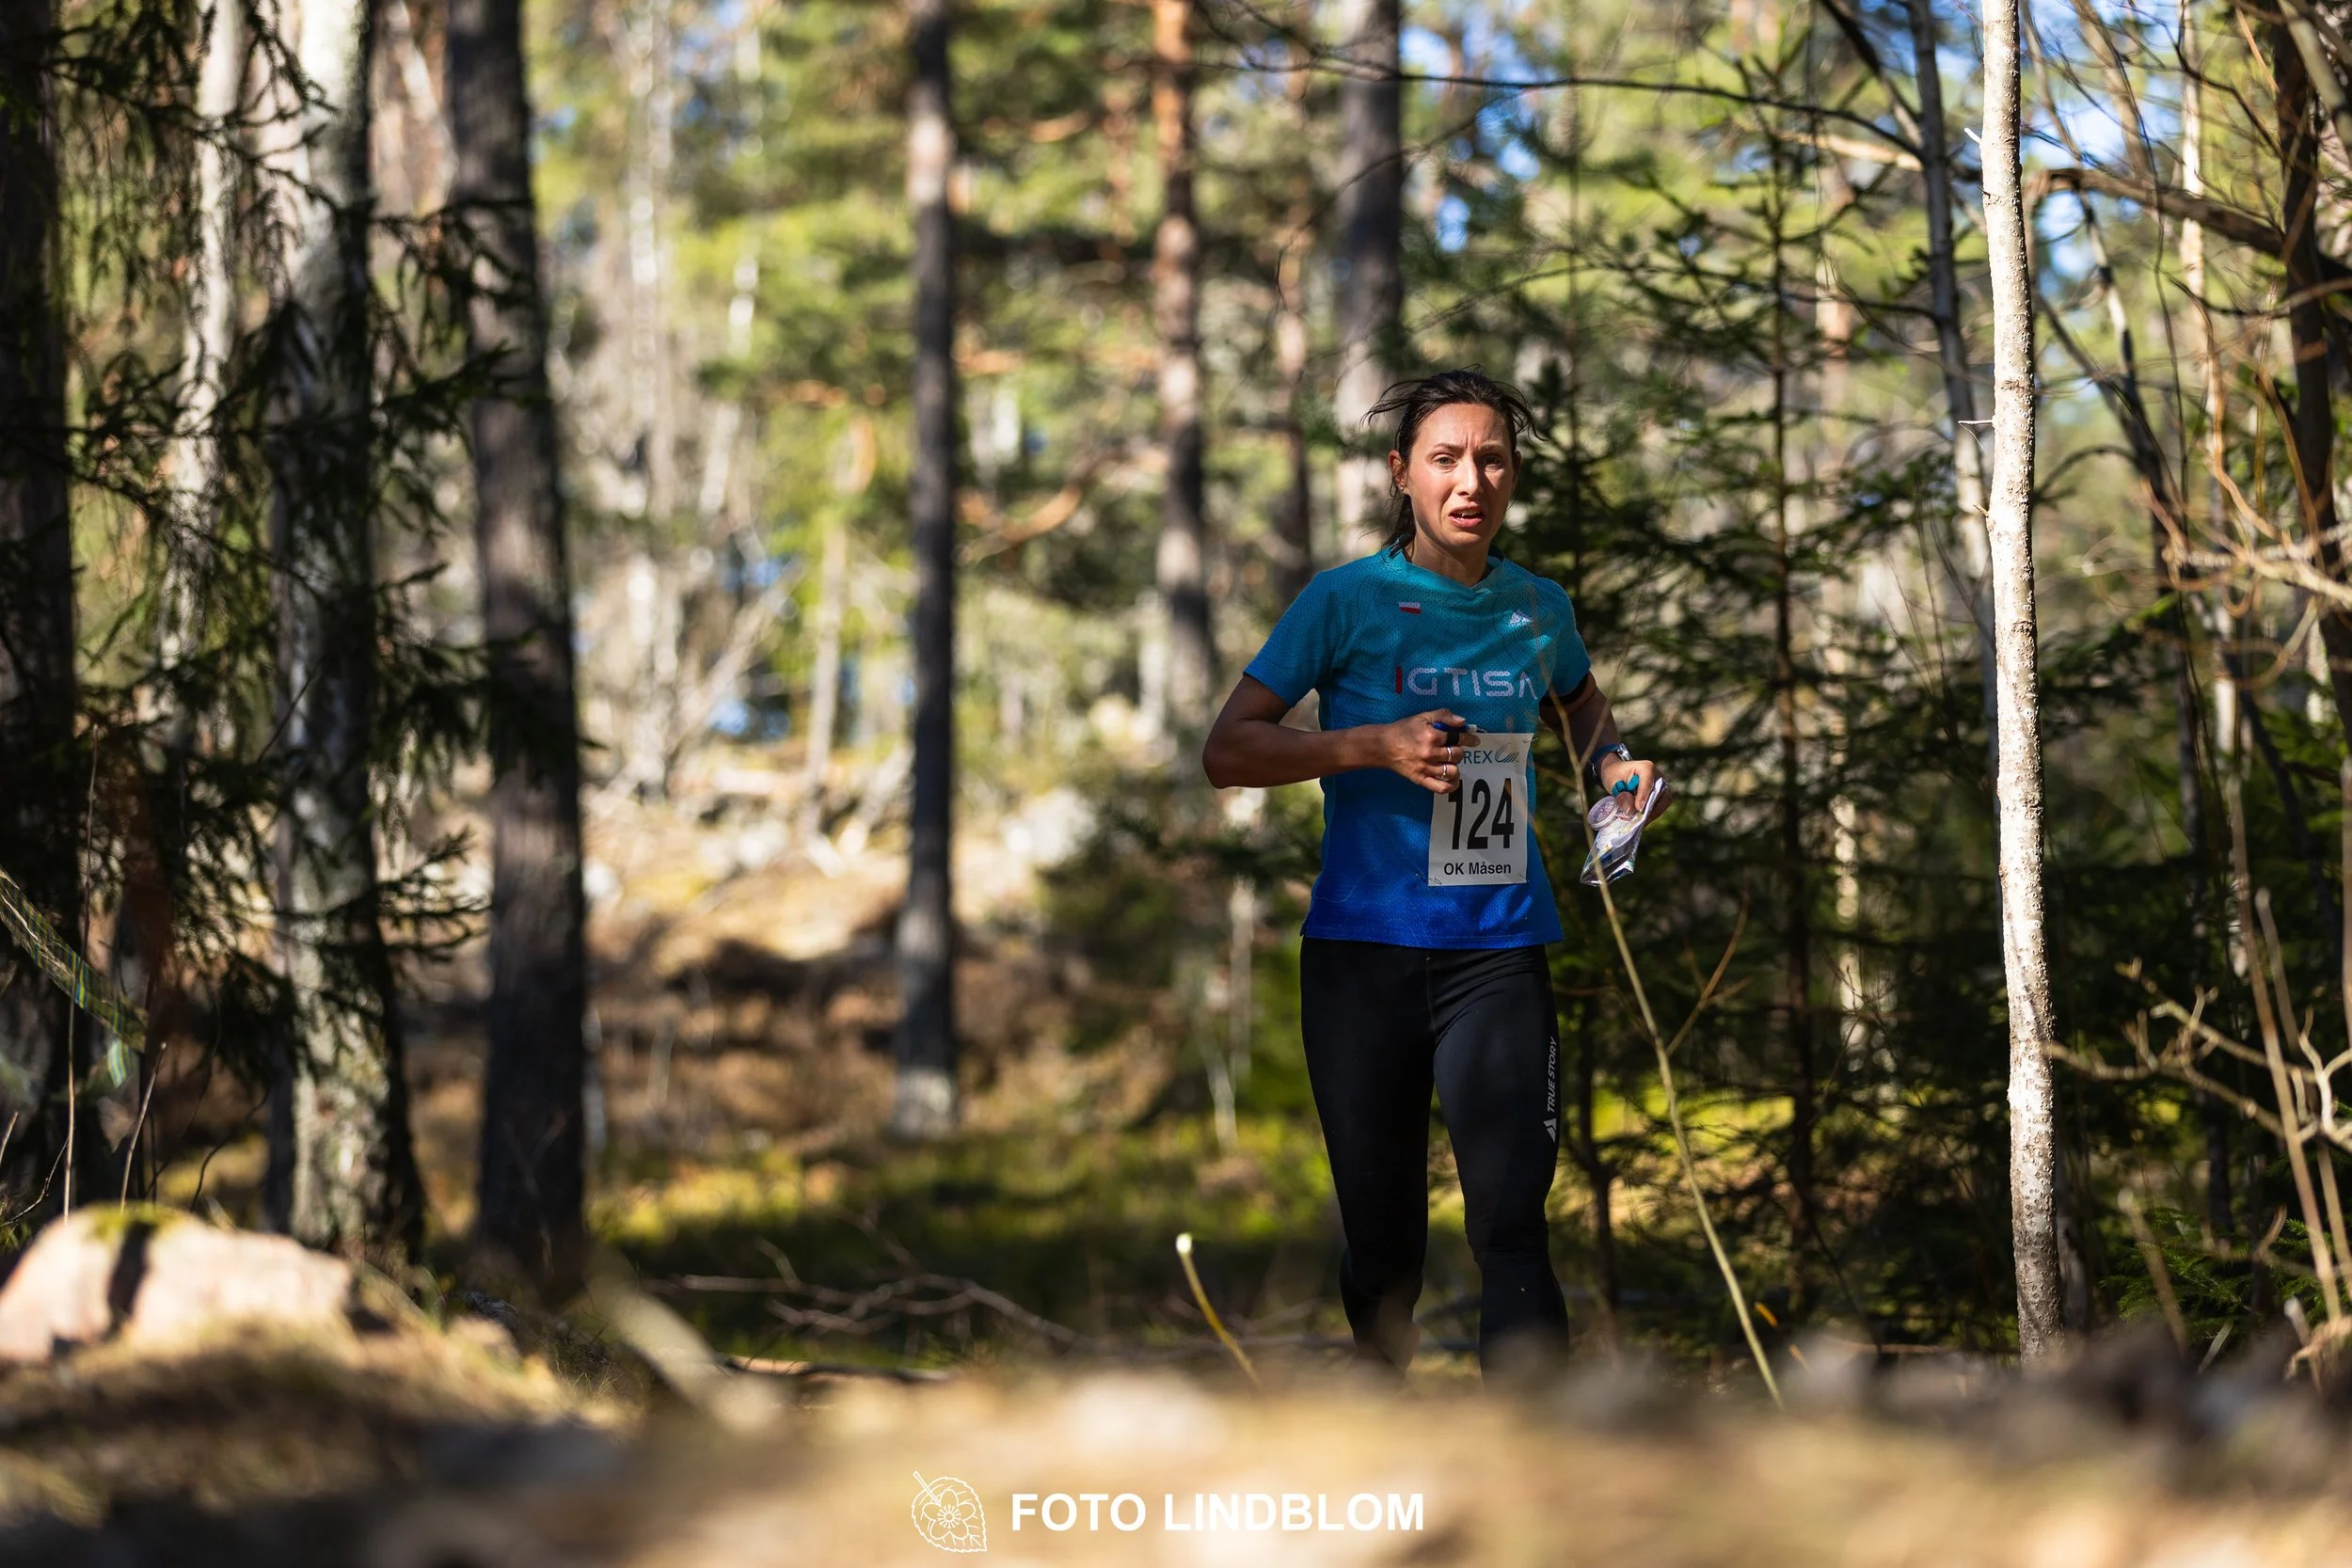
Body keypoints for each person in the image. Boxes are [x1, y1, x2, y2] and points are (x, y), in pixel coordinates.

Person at [1200, 367, 1659, 1376]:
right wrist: (1369, 746)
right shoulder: (1345, 602)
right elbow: (1227, 750)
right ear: (1401, 474)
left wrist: (1617, 783)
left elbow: (1581, 707)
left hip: (1496, 952)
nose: (1470, 480)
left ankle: (1533, 1468)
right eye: (1445, 459)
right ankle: (1381, 1437)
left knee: (1511, 1223)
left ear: (1513, 473)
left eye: (1491, 459)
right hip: (1361, 955)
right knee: (1383, 1244)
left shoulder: (1537, 608)